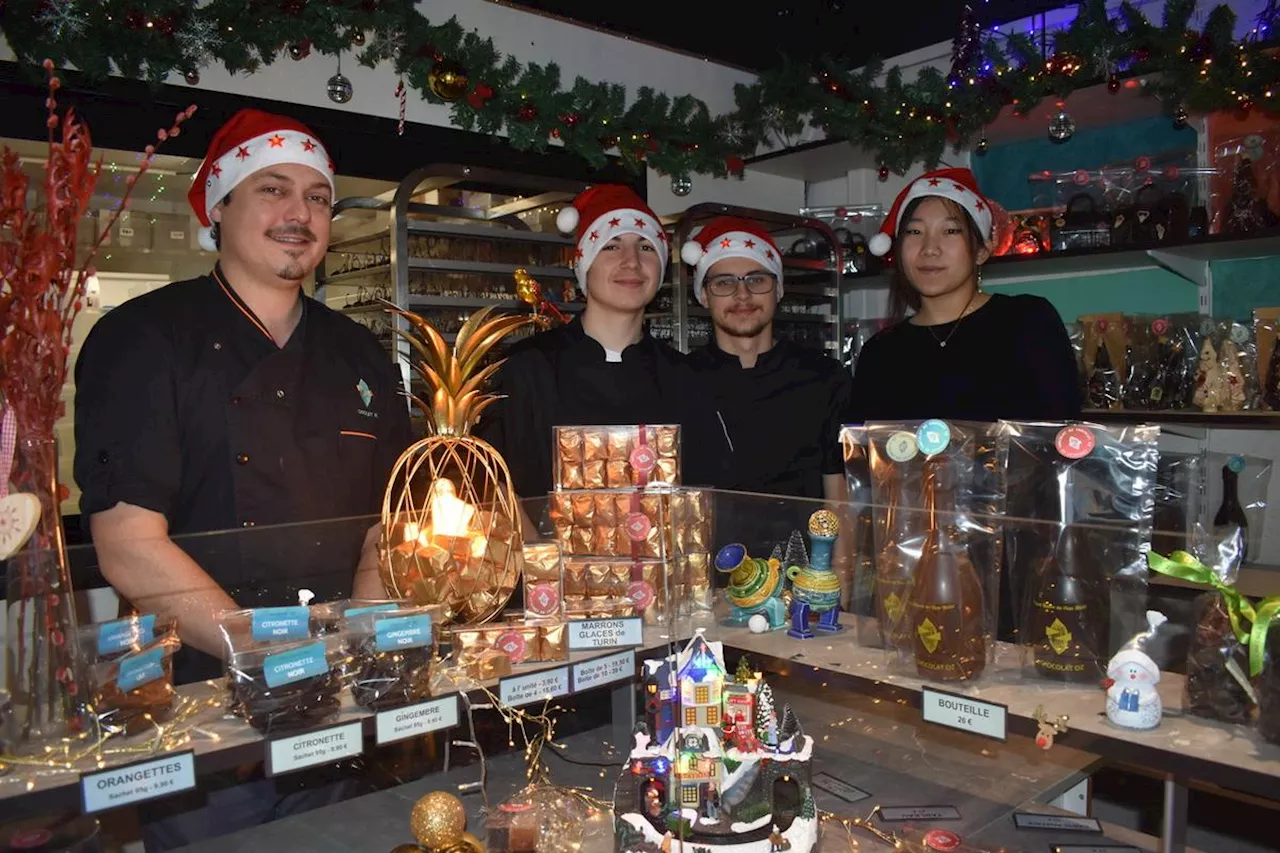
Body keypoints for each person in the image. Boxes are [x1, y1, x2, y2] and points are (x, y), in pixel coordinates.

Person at [74, 108, 412, 686]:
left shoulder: (359, 351)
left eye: (317, 197)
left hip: (346, 670)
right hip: (203, 679)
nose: (299, 214)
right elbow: (128, 545)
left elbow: (394, 520)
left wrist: (364, 633)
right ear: (219, 207)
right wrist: (265, 653)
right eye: (272, 189)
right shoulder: (143, 337)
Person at [477, 184, 726, 499]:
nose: (632, 262)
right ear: (585, 266)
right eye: (612, 246)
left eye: (646, 248)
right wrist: (539, 547)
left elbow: (707, 493)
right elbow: (490, 481)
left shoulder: (684, 377)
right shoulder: (528, 368)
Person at [851, 167, 1081, 422]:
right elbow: (864, 455)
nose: (929, 249)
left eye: (950, 231)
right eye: (914, 232)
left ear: (982, 250)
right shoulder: (880, 353)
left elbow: (1062, 436)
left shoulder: (1027, 321)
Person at [683, 216, 853, 501]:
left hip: (802, 546)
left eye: (757, 279)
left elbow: (840, 497)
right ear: (703, 294)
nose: (743, 294)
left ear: (779, 289)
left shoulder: (825, 378)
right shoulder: (680, 380)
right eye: (724, 283)